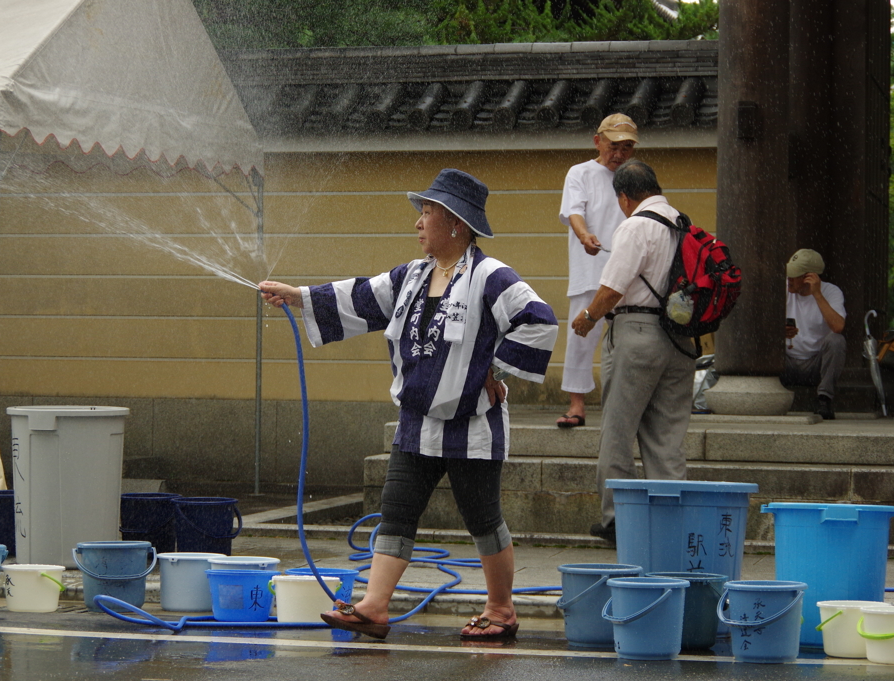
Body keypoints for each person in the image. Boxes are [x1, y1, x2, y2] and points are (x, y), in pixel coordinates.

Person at [259, 169, 558, 641]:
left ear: (456, 223)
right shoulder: (412, 276)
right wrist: (296, 296)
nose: (418, 222)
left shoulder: (490, 276)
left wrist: (495, 371)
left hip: (472, 424)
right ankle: (375, 607)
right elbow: (358, 298)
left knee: (482, 518)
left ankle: (501, 609)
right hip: (417, 422)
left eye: (427, 212)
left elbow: (540, 321)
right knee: (396, 510)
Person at [570, 159, 694, 546]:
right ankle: (670, 518)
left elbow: (612, 288)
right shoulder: (683, 225)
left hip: (637, 333)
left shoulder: (636, 226)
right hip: (680, 338)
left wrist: (587, 317)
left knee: (618, 431)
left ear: (624, 197)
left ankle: (617, 520)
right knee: (666, 436)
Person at [555, 113, 638, 428]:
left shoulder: (635, 176)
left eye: (626, 147)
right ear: (597, 141)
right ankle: (577, 405)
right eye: (613, 145)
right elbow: (573, 210)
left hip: (627, 271)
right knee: (580, 335)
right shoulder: (580, 173)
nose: (618, 153)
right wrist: (583, 235)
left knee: (629, 340)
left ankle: (626, 407)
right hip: (590, 268)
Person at [781, 249, 846, 420]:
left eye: (794, 276)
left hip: (816, 364)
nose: (789, 280)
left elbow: (838, 326)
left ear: (810, 277)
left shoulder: (832, 292)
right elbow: (761, 327)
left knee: (836, 341)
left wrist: (817, 294)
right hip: (785, 362)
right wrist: (778, 332)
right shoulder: (783, 289)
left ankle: (824, 399)